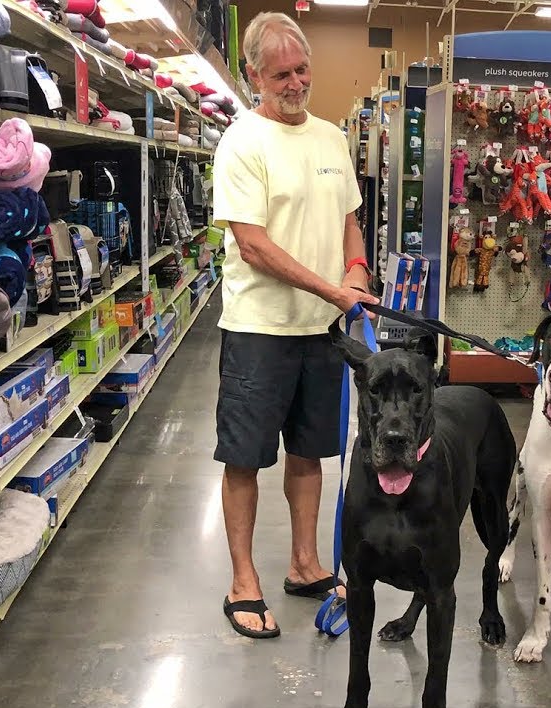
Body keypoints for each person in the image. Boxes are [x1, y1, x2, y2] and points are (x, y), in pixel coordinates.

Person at [211, 11, 379, 639]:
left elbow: (348, 221)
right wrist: (331, 288)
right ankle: (242, 581)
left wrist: (356, 269)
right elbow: (252, 245)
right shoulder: (241, 142)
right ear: (254, 75)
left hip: (323, 329)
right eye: (280, 73)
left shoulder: (332, 139)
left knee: (309, 452)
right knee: (245, 457)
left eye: (302, 69)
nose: (294, 82)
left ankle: (305, 563)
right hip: (259, 329)